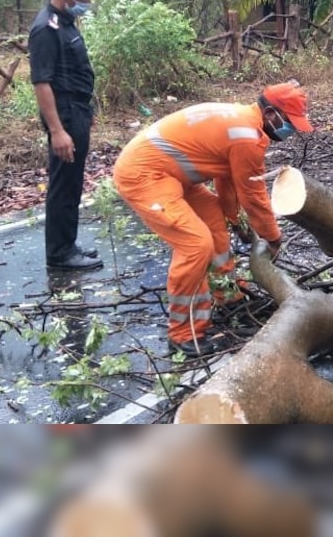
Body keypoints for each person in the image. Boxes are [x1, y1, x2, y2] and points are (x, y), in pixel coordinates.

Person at [112, 81, 313, 356]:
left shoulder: (243, 122)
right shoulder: (247, 136)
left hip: (175, 175)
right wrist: (273, 237)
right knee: (196, 244)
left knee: (214, 223)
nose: (290, 131)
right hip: (146, 175)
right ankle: (183, 333)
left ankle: (228, 295)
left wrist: (234, 220)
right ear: (270, 113)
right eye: (289, 122)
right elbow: (253, 195)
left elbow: (228, 180)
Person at [29, 0, 103, 272]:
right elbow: (42, 82)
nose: (86, 3)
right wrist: (58, 131)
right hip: (65, 114)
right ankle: (60, 254)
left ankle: (67, 244)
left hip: (77, 111)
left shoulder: (65, 21)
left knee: (72, 184)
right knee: (64, 184)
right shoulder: (46, 29)